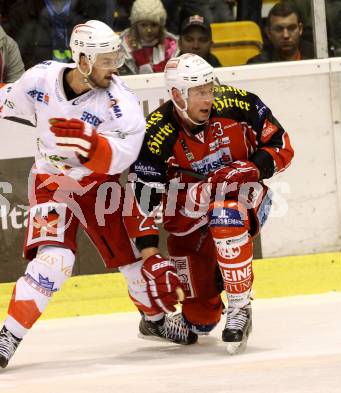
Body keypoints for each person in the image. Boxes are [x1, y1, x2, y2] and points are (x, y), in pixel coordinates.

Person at [0, 20, 189, 373]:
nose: (114, 67)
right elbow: (0, 100)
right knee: (54, 262)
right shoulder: (41, 79)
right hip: (52, 183)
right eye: (106, 59)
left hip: (99, 186)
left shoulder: (121, 102)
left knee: (134, 259)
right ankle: (10, 334)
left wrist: (93, 148)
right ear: (83, 59)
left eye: (115, 57)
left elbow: (124, 154)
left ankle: (154, 320)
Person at [125, 53, 294, 353]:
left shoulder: (240, 104)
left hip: (243, 198)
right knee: (200, 320)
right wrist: (151, 256)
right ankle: (162, 317)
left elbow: (281, 145)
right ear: (177, 95)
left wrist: (252, 167)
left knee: (225, 215)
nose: (208, 98)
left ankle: (240, 307)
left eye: (209, 89)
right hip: (189, 220)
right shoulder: (155, 134)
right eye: (198, 92)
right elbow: (141, 203)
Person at [119, 0, 178, 75]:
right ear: (135, 26)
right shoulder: (125, 47)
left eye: (153, 25)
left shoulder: (171, 46)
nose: (149, 30)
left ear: (161, 26)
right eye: (143, 25)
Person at [247, 2, 313, 64]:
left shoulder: (317, 57)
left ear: (300, 29)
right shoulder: (256, 66)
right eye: (278, 29)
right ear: (268, 33)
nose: (285, 35)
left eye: (291, 28)